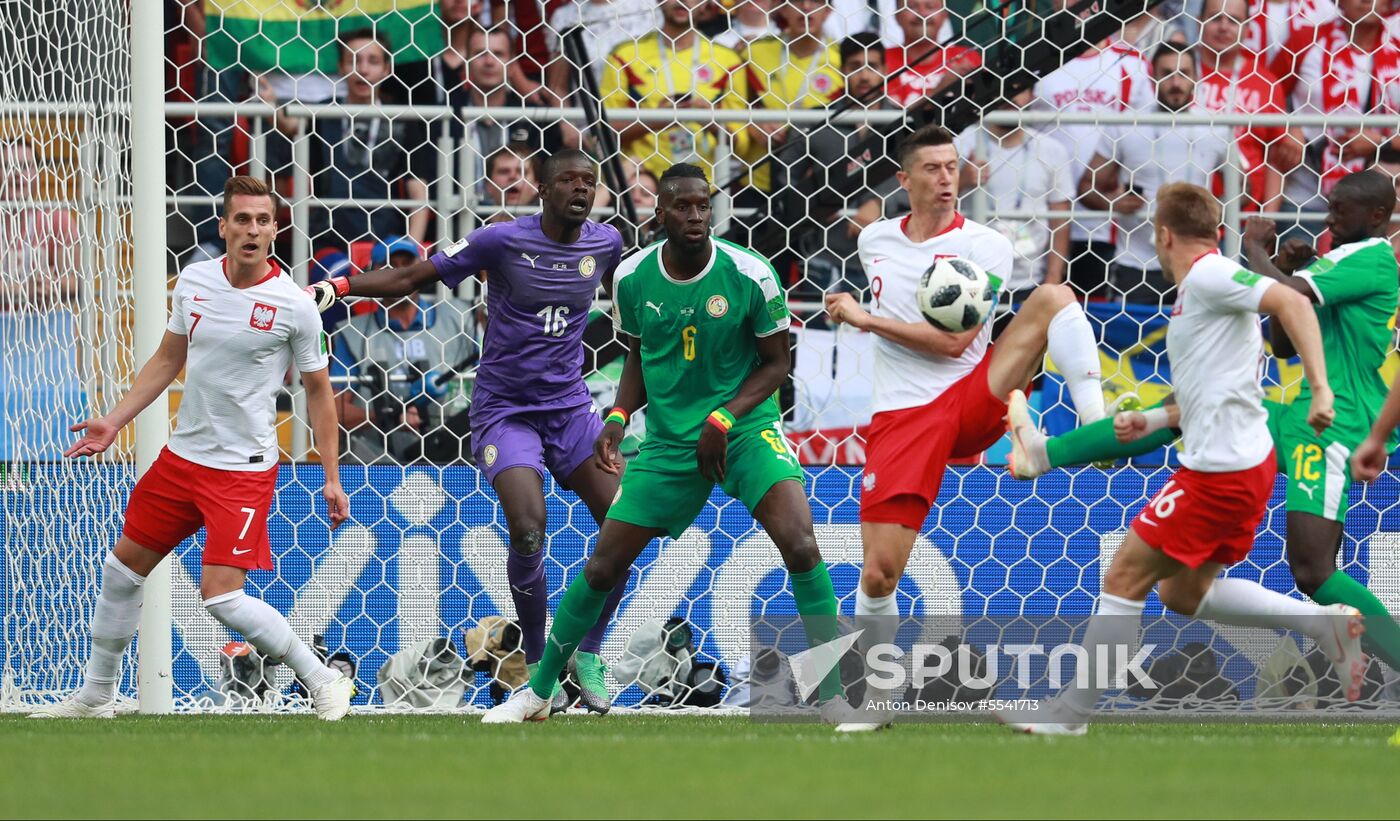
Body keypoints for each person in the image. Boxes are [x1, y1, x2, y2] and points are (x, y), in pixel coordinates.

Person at [481, 163, 846, 724]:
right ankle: (539, 691)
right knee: (603, 567)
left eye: (703, 205)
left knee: (799, 542)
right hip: (672, 441)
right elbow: (637, 354)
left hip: (744, 429)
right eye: (683, 206)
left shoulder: (751, 273)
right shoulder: (631, 278)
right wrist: (621, 413)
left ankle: (835, 691)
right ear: (661, 214)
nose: (696, 216)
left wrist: (724, 416)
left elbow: (776, 367)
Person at [997, 183, 1365, 735]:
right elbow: (1216, 388)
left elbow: (1291, 300)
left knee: (1125, 575)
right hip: (1243, 464)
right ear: (1216, 231)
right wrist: (1153, 421)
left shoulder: (1211, 276)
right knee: (1182, 593)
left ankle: (1071, 716)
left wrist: (1319, 389)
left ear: (1162, 236)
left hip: (1220, 473)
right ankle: (1320, 625)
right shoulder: (1205, 291)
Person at [307, 149, 625, 712]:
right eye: (569, 180)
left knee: (625, 526)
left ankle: (590, 653)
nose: (581, 189)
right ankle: (534, 665)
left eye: (590, 182)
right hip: (506, 410)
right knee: (529, 528)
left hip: (571, 409)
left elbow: (639, 307)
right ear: (542, 188)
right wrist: (341, 287)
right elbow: (410, 274)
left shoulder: (606, 244)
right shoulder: (500, 240)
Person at [30, 176, 353, 720]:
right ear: (223, 226)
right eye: (242, 220)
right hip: (182, 459)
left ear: (276, 229)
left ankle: (323, 680)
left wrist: (331, 474)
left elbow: (319, 393)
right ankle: (96, 696)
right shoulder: (195, 281)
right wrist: (113, 421)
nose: (252, 230)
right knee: (120, 572)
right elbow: (165, 359)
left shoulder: (294, 306)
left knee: (221, 599)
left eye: (263, 221)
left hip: (242, 470)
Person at [820, 125, 1106, 732]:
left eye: (953, 167)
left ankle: (1095, 424)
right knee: (878, 573)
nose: (947, 178)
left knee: (1054, 295)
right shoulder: (874, 240)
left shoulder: (986, 244)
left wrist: (864, 320)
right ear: (905, 181)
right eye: (932, 169)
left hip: (972, 396)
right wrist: (849, 309)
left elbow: (955, 344)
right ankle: (877, 700)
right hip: (902, 416)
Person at [1079, 42, 1231, 305]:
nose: (1176, 82)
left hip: (1198, 262)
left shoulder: (1215, 126)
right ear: (1152, 77)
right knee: (1127, 343)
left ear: (1197, 77)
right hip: (1136, 263)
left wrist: (1211, 216)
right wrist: (1113, 203)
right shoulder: (1126, 124)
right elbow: (1087, 186)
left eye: (1184, 73)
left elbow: (1243, 189)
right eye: (1167, 73)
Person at [1032, 0, 1154, 298]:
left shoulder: (1132, 64)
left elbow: (1146, 139)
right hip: (1042, 218)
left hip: (1104, 223)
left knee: (1094, 316)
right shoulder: (1037, 61)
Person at [268, 29, 430, 249]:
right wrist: (269, 104)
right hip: (327, 238)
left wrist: (411, 249)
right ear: (341, 68)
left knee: (379, 276)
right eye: (353, 61)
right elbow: (289, 126)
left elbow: (419, 197)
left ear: (386, 69)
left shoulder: (402, 120)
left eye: (372, 61)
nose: (362, 69)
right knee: (341, 280)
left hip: (385, 239)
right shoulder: (324, 111)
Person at [330, 237, 478, 465]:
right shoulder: (353, 333)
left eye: (407, 264)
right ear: (372, 275)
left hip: (457, 457)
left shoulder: (462, 318)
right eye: (389, 266)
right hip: (379, 463)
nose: (399, 274)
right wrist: (383, 416)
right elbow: (333, 411)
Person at [598, 0, 750, 183]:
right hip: (639, 186)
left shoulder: (728, 60)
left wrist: (709, 121)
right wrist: (658, 120)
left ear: (705, 4)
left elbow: (740, 146)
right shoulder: (625, 54)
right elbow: (604, 133)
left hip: (705, 188)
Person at [956, 89, 1073, 302]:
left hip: (1032, 279)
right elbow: (933, 206)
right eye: (1001, 86)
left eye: (1019, 88)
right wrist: (961, 180)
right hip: (970, 279)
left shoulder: (1051, 149)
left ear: (1031, 95)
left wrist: (1053, 278)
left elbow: (1061, 219)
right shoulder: (961, 143)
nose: (1009, 95)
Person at [1195, 0, 1300, 215]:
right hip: (1186, 216)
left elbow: (1276, 159)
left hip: (1243, 219)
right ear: (1199, 23)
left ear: (1247, 28)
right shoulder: (1181, 73)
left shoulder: (1265, 83)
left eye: (1234, 20)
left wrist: (1268, 218)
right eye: (1215, 18)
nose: (1224, 27)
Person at [883, 0, 980, 109]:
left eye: (930, 7)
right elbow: (895, 120)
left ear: (944, 15)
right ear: (897, 16)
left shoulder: (966, 56)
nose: (922, 14)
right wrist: (941, 89)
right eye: (912, 7)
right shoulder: (882, 61)